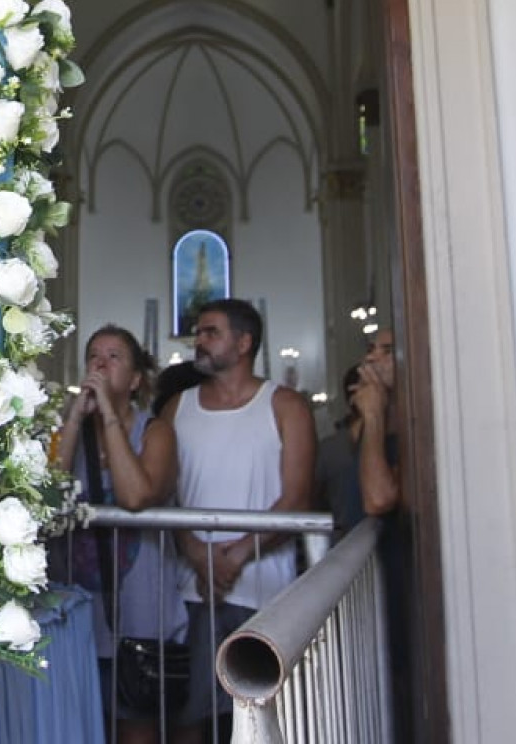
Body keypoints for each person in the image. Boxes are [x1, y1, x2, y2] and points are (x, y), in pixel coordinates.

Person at [165, 299, 316, 742]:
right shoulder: (178, 407)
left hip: (264, 590)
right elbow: (166, 492)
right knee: (192, 717)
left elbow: (297, 497)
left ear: (244, 342)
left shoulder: (285, 405)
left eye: (211, 331)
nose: (199, 340)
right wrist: (196, 553)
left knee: (264, 716)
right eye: (199, 331)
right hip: (192, 591)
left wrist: (235, 554)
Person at [56, 326, 185, 742]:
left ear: (135, 380)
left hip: (140, 611)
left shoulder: (155, 432)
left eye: (114, 357)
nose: (100, 363)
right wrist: (76, 417)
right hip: (78, 610)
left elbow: (136, 496)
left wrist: (109, 414)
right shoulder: (69, 430)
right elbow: (47, 492)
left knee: (136, 727)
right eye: (94, 355)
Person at [316, 326, 399, 533]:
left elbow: (378, 500)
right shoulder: (366, 426)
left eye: (387, 351)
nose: (371, 358)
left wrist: (372, 414)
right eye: (371, 349)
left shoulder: (412, 426)